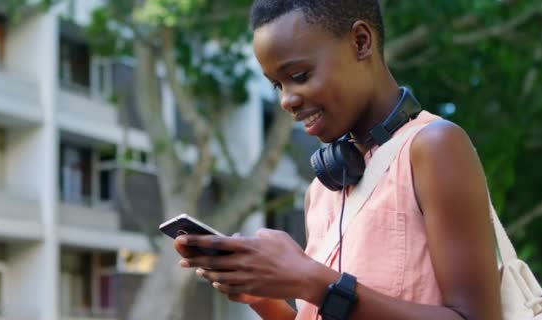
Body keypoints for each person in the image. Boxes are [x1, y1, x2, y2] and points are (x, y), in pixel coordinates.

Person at [174, 0, 503, 319]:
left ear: (361, 42)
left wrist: (309, 279)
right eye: (277, 85)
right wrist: (262, 298)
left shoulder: (433, 147)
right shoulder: (322, 190)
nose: (287, 100)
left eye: (299, 75)